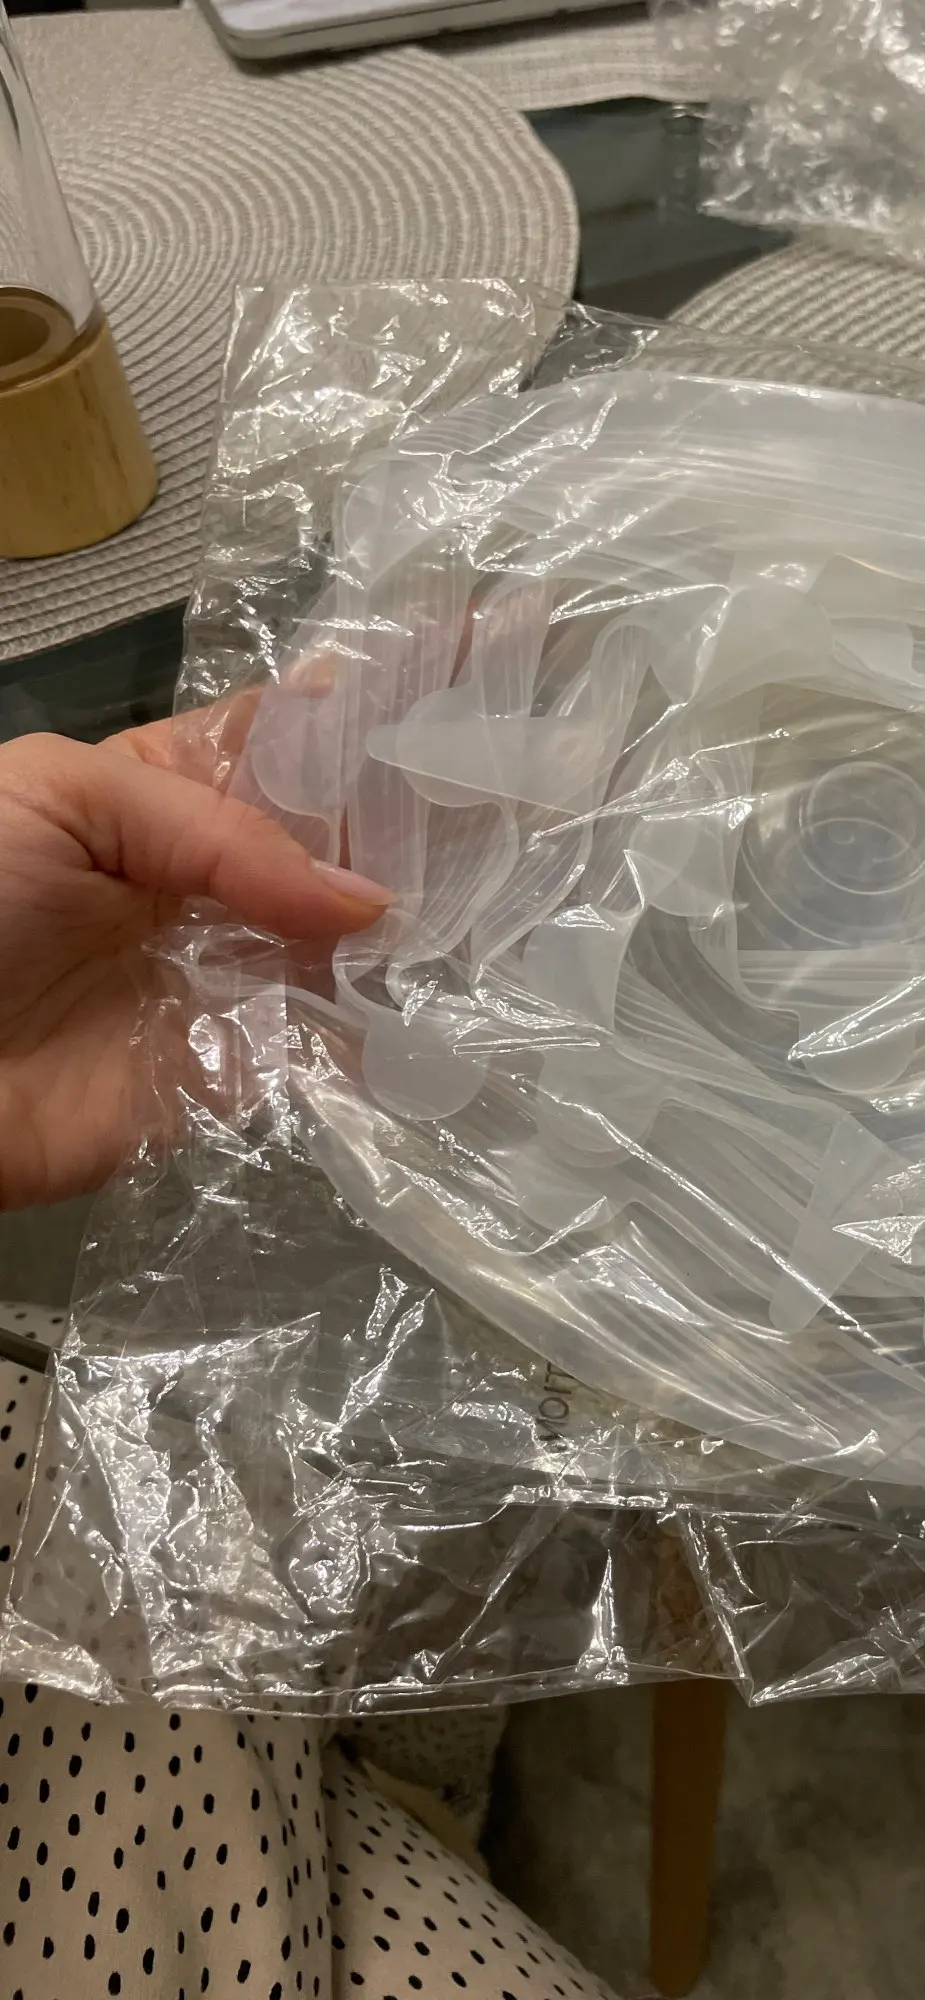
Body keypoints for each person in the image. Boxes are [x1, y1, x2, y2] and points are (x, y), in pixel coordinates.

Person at [0, 724, 617, 2000]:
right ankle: (392, 1769)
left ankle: (387, 1757)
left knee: (274, 1485)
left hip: (91, 1588)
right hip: (102, 1861)